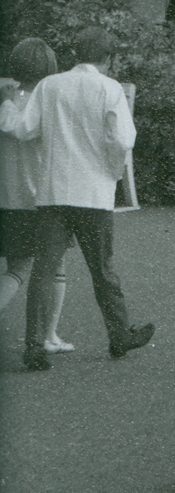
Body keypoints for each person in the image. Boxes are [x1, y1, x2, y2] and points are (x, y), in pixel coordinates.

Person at [16, 27, 152, 370]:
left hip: (53, 192)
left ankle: (34, 346)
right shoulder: (110, 88)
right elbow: (124, 140)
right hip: (93, 192)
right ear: (109, 57)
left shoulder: (50, 85)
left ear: (75, 53)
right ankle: (119, 335)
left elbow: (26, 129)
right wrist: (112, 170)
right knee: (102, 269)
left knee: (44, 270)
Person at [0, 39, 71, 357]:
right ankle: (49, 335)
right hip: (40, 200)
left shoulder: (8, 100)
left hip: (7, 197)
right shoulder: (44, 102)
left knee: (16, 267)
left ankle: (50, 335)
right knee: (54, 266)